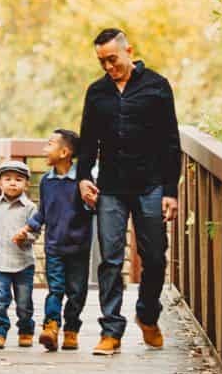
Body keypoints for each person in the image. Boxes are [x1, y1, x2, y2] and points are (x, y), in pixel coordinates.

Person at [76, 28, 180, 356]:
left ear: (128, 51)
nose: (108, 66)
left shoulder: (157, 87)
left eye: (112, 59)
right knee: (109, 259)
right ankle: (111, 330)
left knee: (153, 256)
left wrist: (170, 191)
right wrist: (82, 177)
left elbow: (171, 142)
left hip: (150, 186)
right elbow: (87, 142)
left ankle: (147, 315)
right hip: (111, 188)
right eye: (102, 61)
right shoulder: (96, 93)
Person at [18, 129, 93, 351]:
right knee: (56, 288)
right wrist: (28, 227)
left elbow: (92, 207)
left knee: (77, 291)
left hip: (79, 246)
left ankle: (71, 330)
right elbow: (43, 211)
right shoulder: (46, 181)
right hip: (54, 246)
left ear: (65, 152)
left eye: (49, 144)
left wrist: (94, 202)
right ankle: (51, 327)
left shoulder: (83, 180)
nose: (44, 149)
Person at [0, 159, 39, 349]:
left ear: (26, 183)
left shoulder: (30, 208)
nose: (13, 183)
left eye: (18, 179)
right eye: (7, 179)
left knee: (24, 303)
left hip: (23, 263)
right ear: (0, 183)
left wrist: (25, 236)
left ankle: (26, 330)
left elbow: (36, 232)